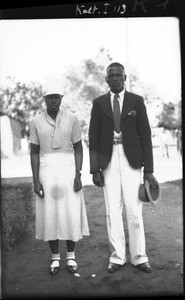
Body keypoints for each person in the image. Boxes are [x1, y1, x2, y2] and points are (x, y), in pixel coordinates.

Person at [89, 62, 158, 274]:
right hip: (108, 159)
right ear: (106, 79)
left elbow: (145, 135)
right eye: (112, 76)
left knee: (134, 210)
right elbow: (93, 137)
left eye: (119, 75)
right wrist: (95, 169)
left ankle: (139, 257)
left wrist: (148, 169)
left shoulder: (136, 101)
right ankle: (117, 257)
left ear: (125, 78)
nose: (115, 78)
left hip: (132, 160)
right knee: (112, 210)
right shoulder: (99, 103)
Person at [29, 86, 89, 276]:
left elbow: (79, 148)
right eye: (49, 97)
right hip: (46, 169)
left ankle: (71, 256)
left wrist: (78, 173)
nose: (53, 101)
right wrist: (35, 180)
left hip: (68, 167)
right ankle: (55, 257)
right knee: (50, 213)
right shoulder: (35, 121)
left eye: (56, 97)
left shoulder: (72, 119)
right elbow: (34, 152)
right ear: (44, 99)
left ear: (62, 97)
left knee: (70, 211)